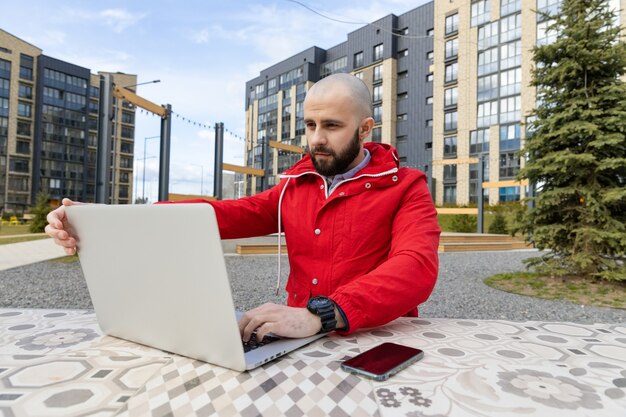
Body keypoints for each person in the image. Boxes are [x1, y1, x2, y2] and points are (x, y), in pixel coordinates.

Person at [46, 73, 441, 343]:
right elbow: (226, 214)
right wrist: (107, 218)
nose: (316, 139)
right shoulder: (294, 186)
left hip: (375, 340)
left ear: (365, 129)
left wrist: (321, 314)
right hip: (298, 339)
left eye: (332, 126)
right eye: (309, 125)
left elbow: (415, 267)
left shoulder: (406, 186)